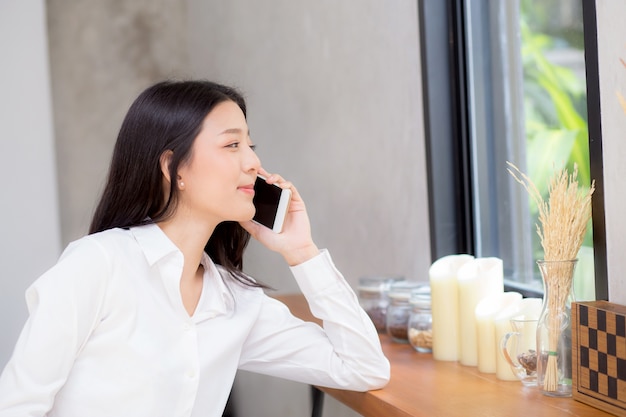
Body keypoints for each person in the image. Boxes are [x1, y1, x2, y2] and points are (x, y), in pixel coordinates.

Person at [0, 80, 390, 417]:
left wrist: (302, 251)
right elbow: (17, 406)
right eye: (232, 144)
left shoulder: (236, 302)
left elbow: (363, 368)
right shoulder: (97, 266)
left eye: (250, 145)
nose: (253, 161)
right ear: (174, 168)